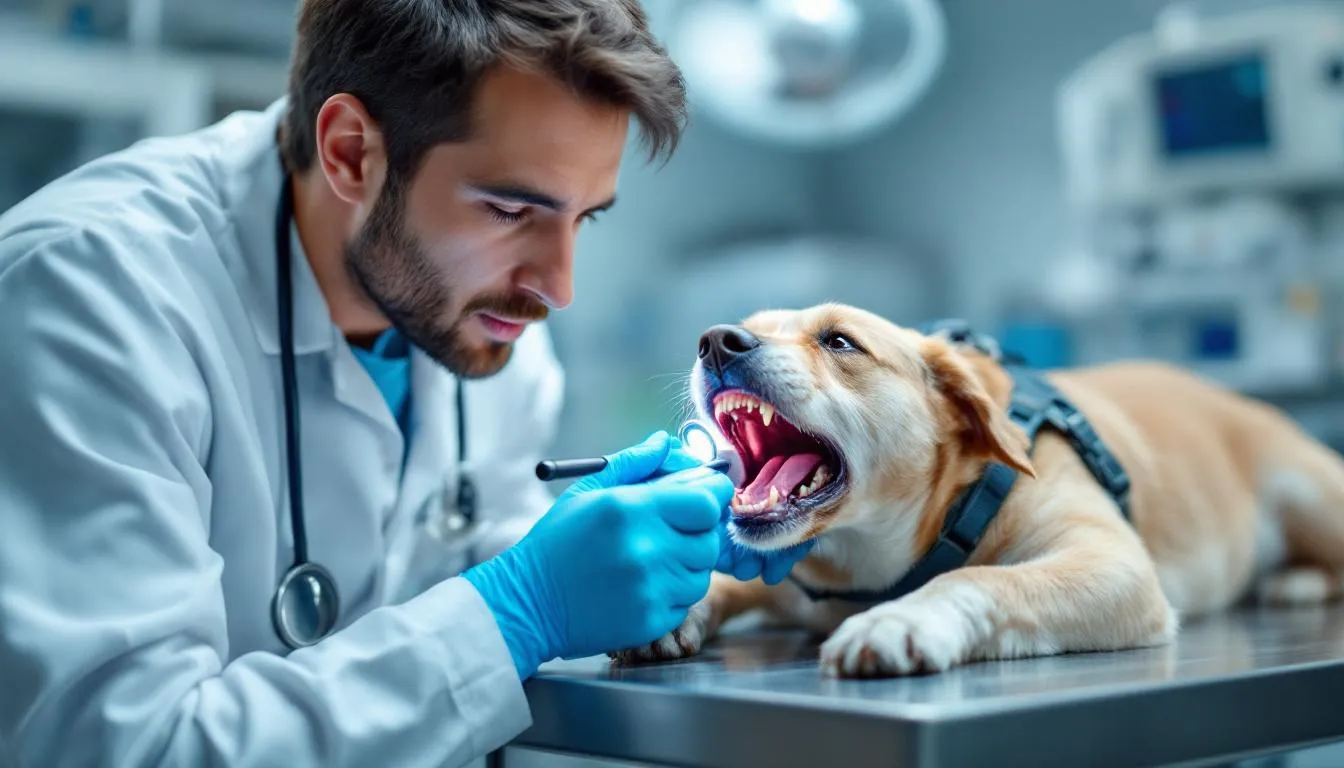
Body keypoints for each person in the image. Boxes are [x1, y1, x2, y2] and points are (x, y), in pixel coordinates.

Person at [0, 1, 813, 766]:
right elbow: (124, 747)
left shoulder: (490, 334)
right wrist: (519, 608)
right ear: (352, 151)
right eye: (508, 210)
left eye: (583, 217)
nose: (557, 288)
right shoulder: (86, 297)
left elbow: (451, 588)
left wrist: (638, 566)